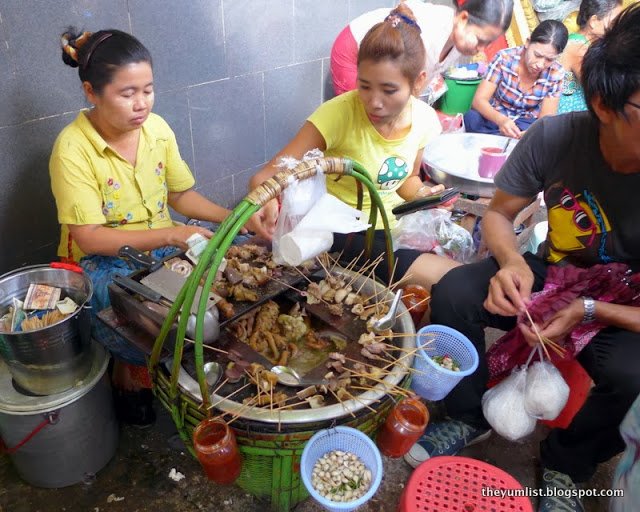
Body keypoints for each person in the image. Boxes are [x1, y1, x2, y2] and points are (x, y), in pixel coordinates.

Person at [405, 4, 640, 511]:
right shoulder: (557, 138)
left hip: (625, 302)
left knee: (634, 373)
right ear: (603, 101)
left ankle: (567, 464)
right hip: (552, 273)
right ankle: (465, 414)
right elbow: (498, 216)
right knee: (456, 292)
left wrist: (588, 311)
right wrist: (511, 260)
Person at [50, 29, 261, 426]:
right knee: (148, 321)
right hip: (101, 261)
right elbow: (90, 236)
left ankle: (181, 371)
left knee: (223, 288)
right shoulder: (72, 148)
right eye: (127, 93)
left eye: (148, 90)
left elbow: (181, 196)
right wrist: (172, 235)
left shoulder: (157, 130)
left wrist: (237, 218)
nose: (141, 103)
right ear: (91, 92)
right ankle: (133, 373)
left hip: (161, 246)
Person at [250, 4, 460, 289]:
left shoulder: (424, 121)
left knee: (441, 276)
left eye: (389, 90)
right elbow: (264, 178)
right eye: (364, 86)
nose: (374, 101)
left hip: (392, 226)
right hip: (339, 230)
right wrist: (267, 203)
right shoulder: (338, 114)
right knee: (445, 280)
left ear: (419, 82)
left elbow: (406, 181)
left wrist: (425, 194)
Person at [330, 0, 513, 97]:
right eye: (480, 40)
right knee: (359, 113)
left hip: (387, 64)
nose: (481, 49)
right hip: (354, 46)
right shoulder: (429, 30)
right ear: (463, 18)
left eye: (487, 44)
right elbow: (397, 84)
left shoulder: (459, 40)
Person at [464, 19, 568, 138]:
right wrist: (501, 120)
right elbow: (478, 100)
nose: (540, 64)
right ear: (528, 42)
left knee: (548, 132)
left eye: (549, 60)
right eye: (537, 55)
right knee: (471, 117)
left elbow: (545, 119)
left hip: (526, 123)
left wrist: (530, 134)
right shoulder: (504, 58)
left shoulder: (556, 73)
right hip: (495, 117)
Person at [557, 0, 623, 114]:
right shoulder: (578, 48)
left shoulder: (587, 42)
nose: (616, 28)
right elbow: (598, 91)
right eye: (613, 23)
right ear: (593, 21)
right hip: (570, 115)